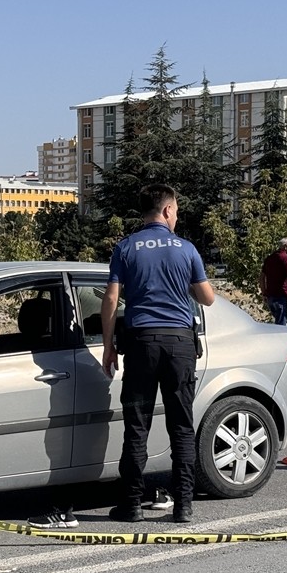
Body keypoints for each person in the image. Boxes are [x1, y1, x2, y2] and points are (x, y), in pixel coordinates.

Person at [100, 183, 215, 524]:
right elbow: (206, 298)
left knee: (137, 425)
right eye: (176, 210)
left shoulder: (126, 248)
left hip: (141, 344)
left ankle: (132, 504)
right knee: (181, 425)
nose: (176, 216)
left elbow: (109, 299)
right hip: (180, 345)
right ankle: (183, 505)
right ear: (167, 210)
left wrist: (108, 346)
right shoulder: (186, 249)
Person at [259, 237, 287, 326]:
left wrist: (264, 293)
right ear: (286, 247)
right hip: (281, 296)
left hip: (270, 297)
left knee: (280, 323)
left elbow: (261, 277)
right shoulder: (286, 258)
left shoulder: (270, 258)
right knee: (281, 326)